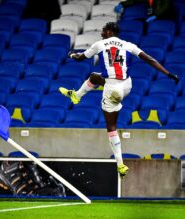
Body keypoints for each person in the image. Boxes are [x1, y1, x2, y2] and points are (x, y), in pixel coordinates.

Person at [59, 22, 179, 179]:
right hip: (127, 85)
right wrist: (168, 73)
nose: (101, 32)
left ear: (109, 32)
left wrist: (72, 55)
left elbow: (81, 58)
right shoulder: (128, 45)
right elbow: (149, 59)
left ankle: (120, 163)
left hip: (111, 89)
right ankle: (77, 95)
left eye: (103, 30)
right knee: (95, 76)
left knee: (111, 127)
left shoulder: (99, 44)